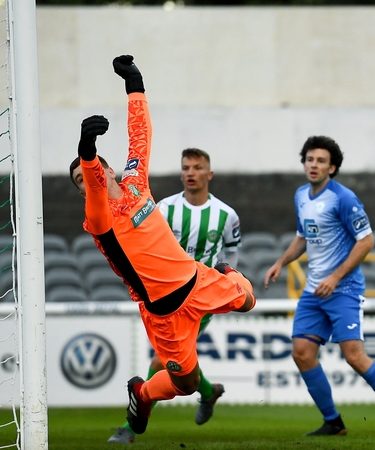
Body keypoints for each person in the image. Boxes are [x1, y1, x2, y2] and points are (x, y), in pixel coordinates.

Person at [69, 54, 255, 436]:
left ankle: (230, 275)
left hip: (200, 280)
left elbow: (140, 135)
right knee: (184, 385)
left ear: (112, 170)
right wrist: (86, 152)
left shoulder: (135, 184)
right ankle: (143, 394)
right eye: (80, 181)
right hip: (165, 312)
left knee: (250, 300)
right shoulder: (99, 220)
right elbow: (92, 181)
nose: (87, 180)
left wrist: (133, 83)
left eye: (90, 171)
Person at [263, 136, 375, 437]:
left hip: (343, 289)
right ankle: (333, 421)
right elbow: (302, 237)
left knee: (354, 356)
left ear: (332, 168)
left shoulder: (343, 198)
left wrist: (335, 276)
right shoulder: (301, 196)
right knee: (302, 352)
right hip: (313, 291)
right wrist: (281, 261)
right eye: (310, 159)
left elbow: (367, 241)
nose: (314, 165)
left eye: (321, 161)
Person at [107, 148, 241, 443]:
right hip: (167, 296)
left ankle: (131, 427)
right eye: (185, 167)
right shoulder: (163, 208)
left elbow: (231, 256)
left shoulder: (227, 215)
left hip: (202, 295)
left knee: (161, 363)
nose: (190, 172)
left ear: (209, 174)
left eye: (196, 167)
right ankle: (209, 391)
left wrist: (226, 285)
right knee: (181, 365)